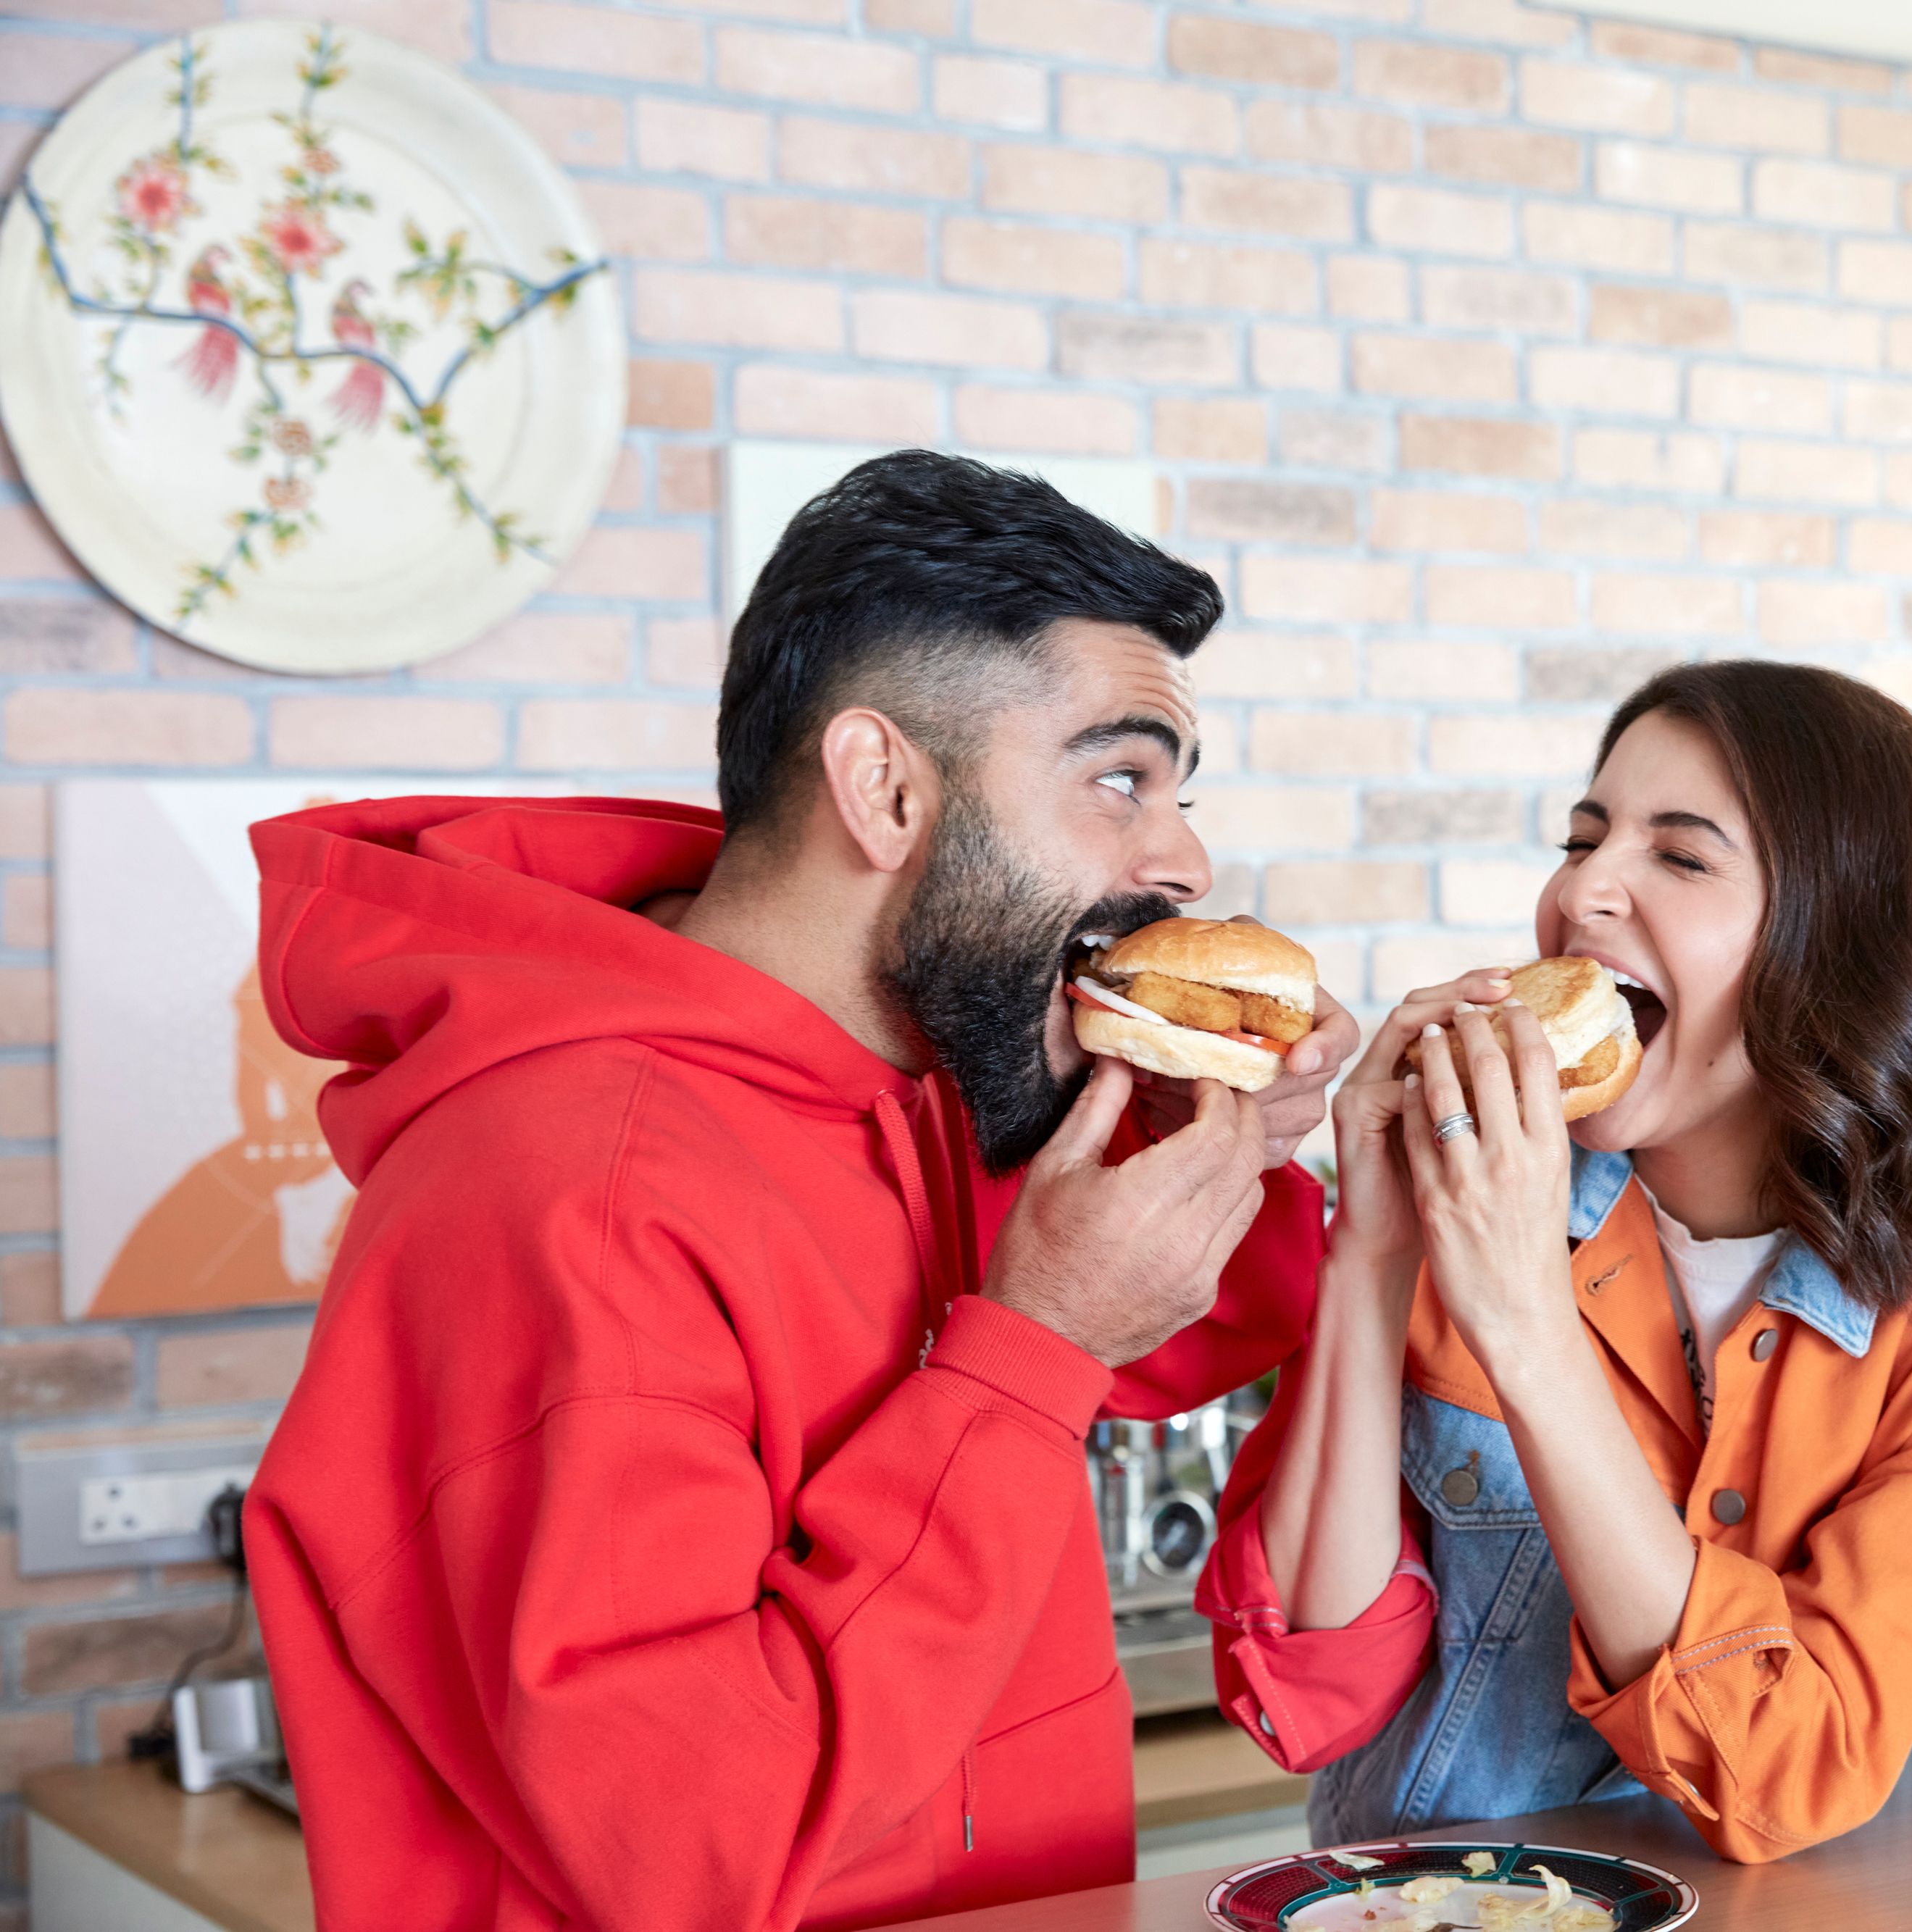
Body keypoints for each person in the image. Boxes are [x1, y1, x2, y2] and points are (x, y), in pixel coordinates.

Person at [243, 453, 1360, 1931]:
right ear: (884, 787)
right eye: (1117, 778)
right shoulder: (561, 1188)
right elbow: (690, 1849)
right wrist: (1037, 1341)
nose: (1182, 855)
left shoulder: (909, 1082)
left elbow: (1168, 1345)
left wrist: (1221, 1138)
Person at [1200, 661, 1912, 1862]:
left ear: (1844, 943)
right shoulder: (1468, 1197)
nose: (1583, 889)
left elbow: (1792, 1762)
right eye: (1582, 837)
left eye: (1680, 857)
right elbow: (1312, 1697)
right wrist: (1374, 1254)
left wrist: (1531, 1336)